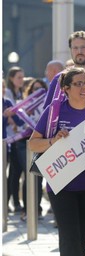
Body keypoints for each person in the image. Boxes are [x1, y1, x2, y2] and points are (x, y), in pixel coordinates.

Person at [28, 67, 85, 256]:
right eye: (78, 83)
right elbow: (33, 144)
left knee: (80, 235)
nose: (84, 88)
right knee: (70, 233)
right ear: (66, 88)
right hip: (61, 183)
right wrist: (54, 141)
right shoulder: (54, 111)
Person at [19, 78, 48, 221]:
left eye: (40, 89)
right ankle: (26, 209)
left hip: (44, 144)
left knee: (39, 178)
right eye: (34, 89)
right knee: (28, 177)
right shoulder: (25, 106)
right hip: (27, 143)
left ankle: (37, 208)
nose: (37, 92)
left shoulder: (48, 106)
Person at [43, 30, 85, 109]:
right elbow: (48, 110)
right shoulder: (60, 79)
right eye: (75, 48)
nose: (79, 51)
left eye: (83, 47)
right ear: (71, 50)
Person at [5, 66, 25, 213]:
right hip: (8, 138)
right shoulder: (7, 94)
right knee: (12, 172)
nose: (22, 80)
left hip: (18, 136)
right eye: (19, 77)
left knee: (16, 171)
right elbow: (10, 115)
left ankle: (14, 202)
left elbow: (17, 117)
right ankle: (8, 202)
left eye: (22, 77)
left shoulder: (20, 93)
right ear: (11, 78)